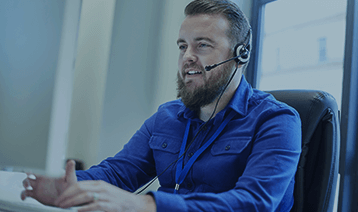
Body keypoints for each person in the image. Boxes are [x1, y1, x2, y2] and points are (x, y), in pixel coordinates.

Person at [21, 0, 301, 211]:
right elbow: (117, 173)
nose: (187, 57)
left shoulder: (277, 121)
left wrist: (147, 205)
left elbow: (252, 203)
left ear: (240, 55)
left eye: (202, 45)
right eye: (182, 46)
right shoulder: (167, 116)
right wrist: (68, 185)